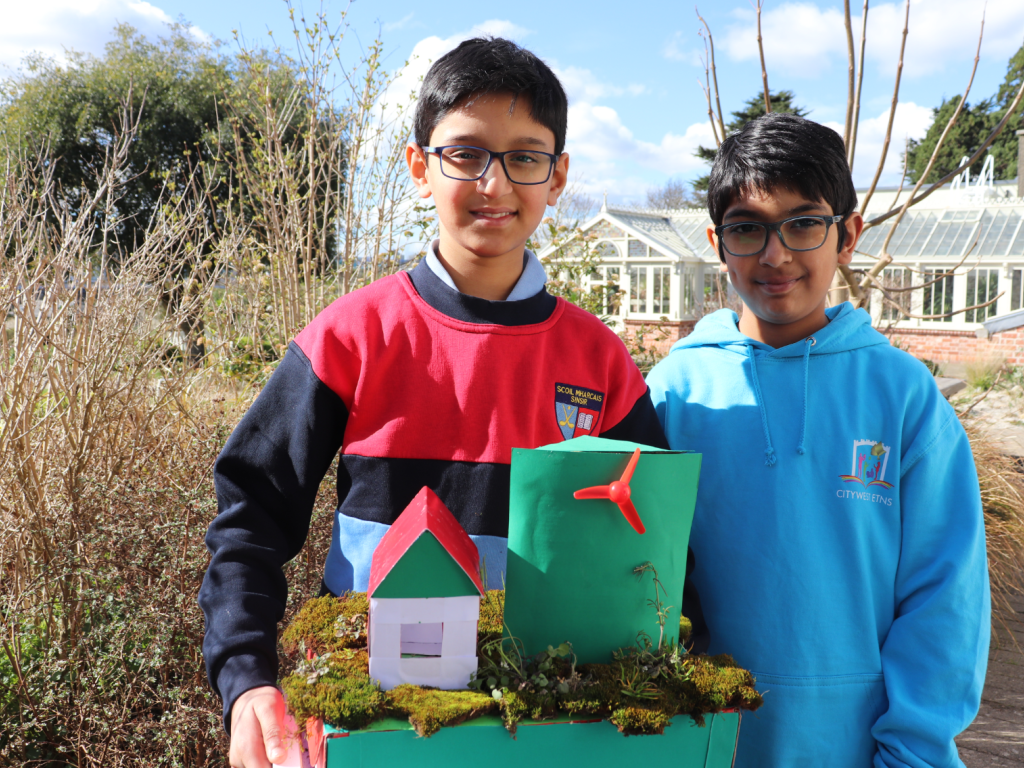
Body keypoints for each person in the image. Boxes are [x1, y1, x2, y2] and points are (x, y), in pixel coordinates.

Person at [200, 37, 681, 768]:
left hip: (546, 728)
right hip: (376, 721)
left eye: (525, 156)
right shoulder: (351, 336)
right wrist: (247, 682)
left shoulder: (599, 359)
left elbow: (652, 556)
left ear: (558, 178)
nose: (495, 182)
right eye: (466, 154)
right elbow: (250, 519)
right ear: (419, 168)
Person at [646, 112, 990, 768]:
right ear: (720, 244)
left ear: (848, 234)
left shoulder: (901, 395)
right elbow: (643, 587)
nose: (776, 255)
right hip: (703, 743)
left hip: (859, 749)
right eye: (748, 229)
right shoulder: (674, 392)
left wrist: (913, 753)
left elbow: (944, 594)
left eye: (803, 223)